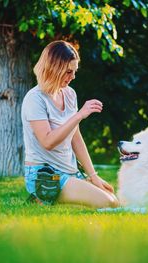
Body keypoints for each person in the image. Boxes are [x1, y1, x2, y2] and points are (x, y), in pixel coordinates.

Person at [21, 40, 119, 208]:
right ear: (54, 68)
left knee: (113, 199)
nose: (72, 77)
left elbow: (76, 138)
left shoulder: (69, 94)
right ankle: (41, 195)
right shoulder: (34, 98)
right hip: (45, 175)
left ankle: (50, 201)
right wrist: (79, 115)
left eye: (74, 71)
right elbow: (47, 142)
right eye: (68, 71)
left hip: (69, 172)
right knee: (107, 203)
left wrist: (93, 176)